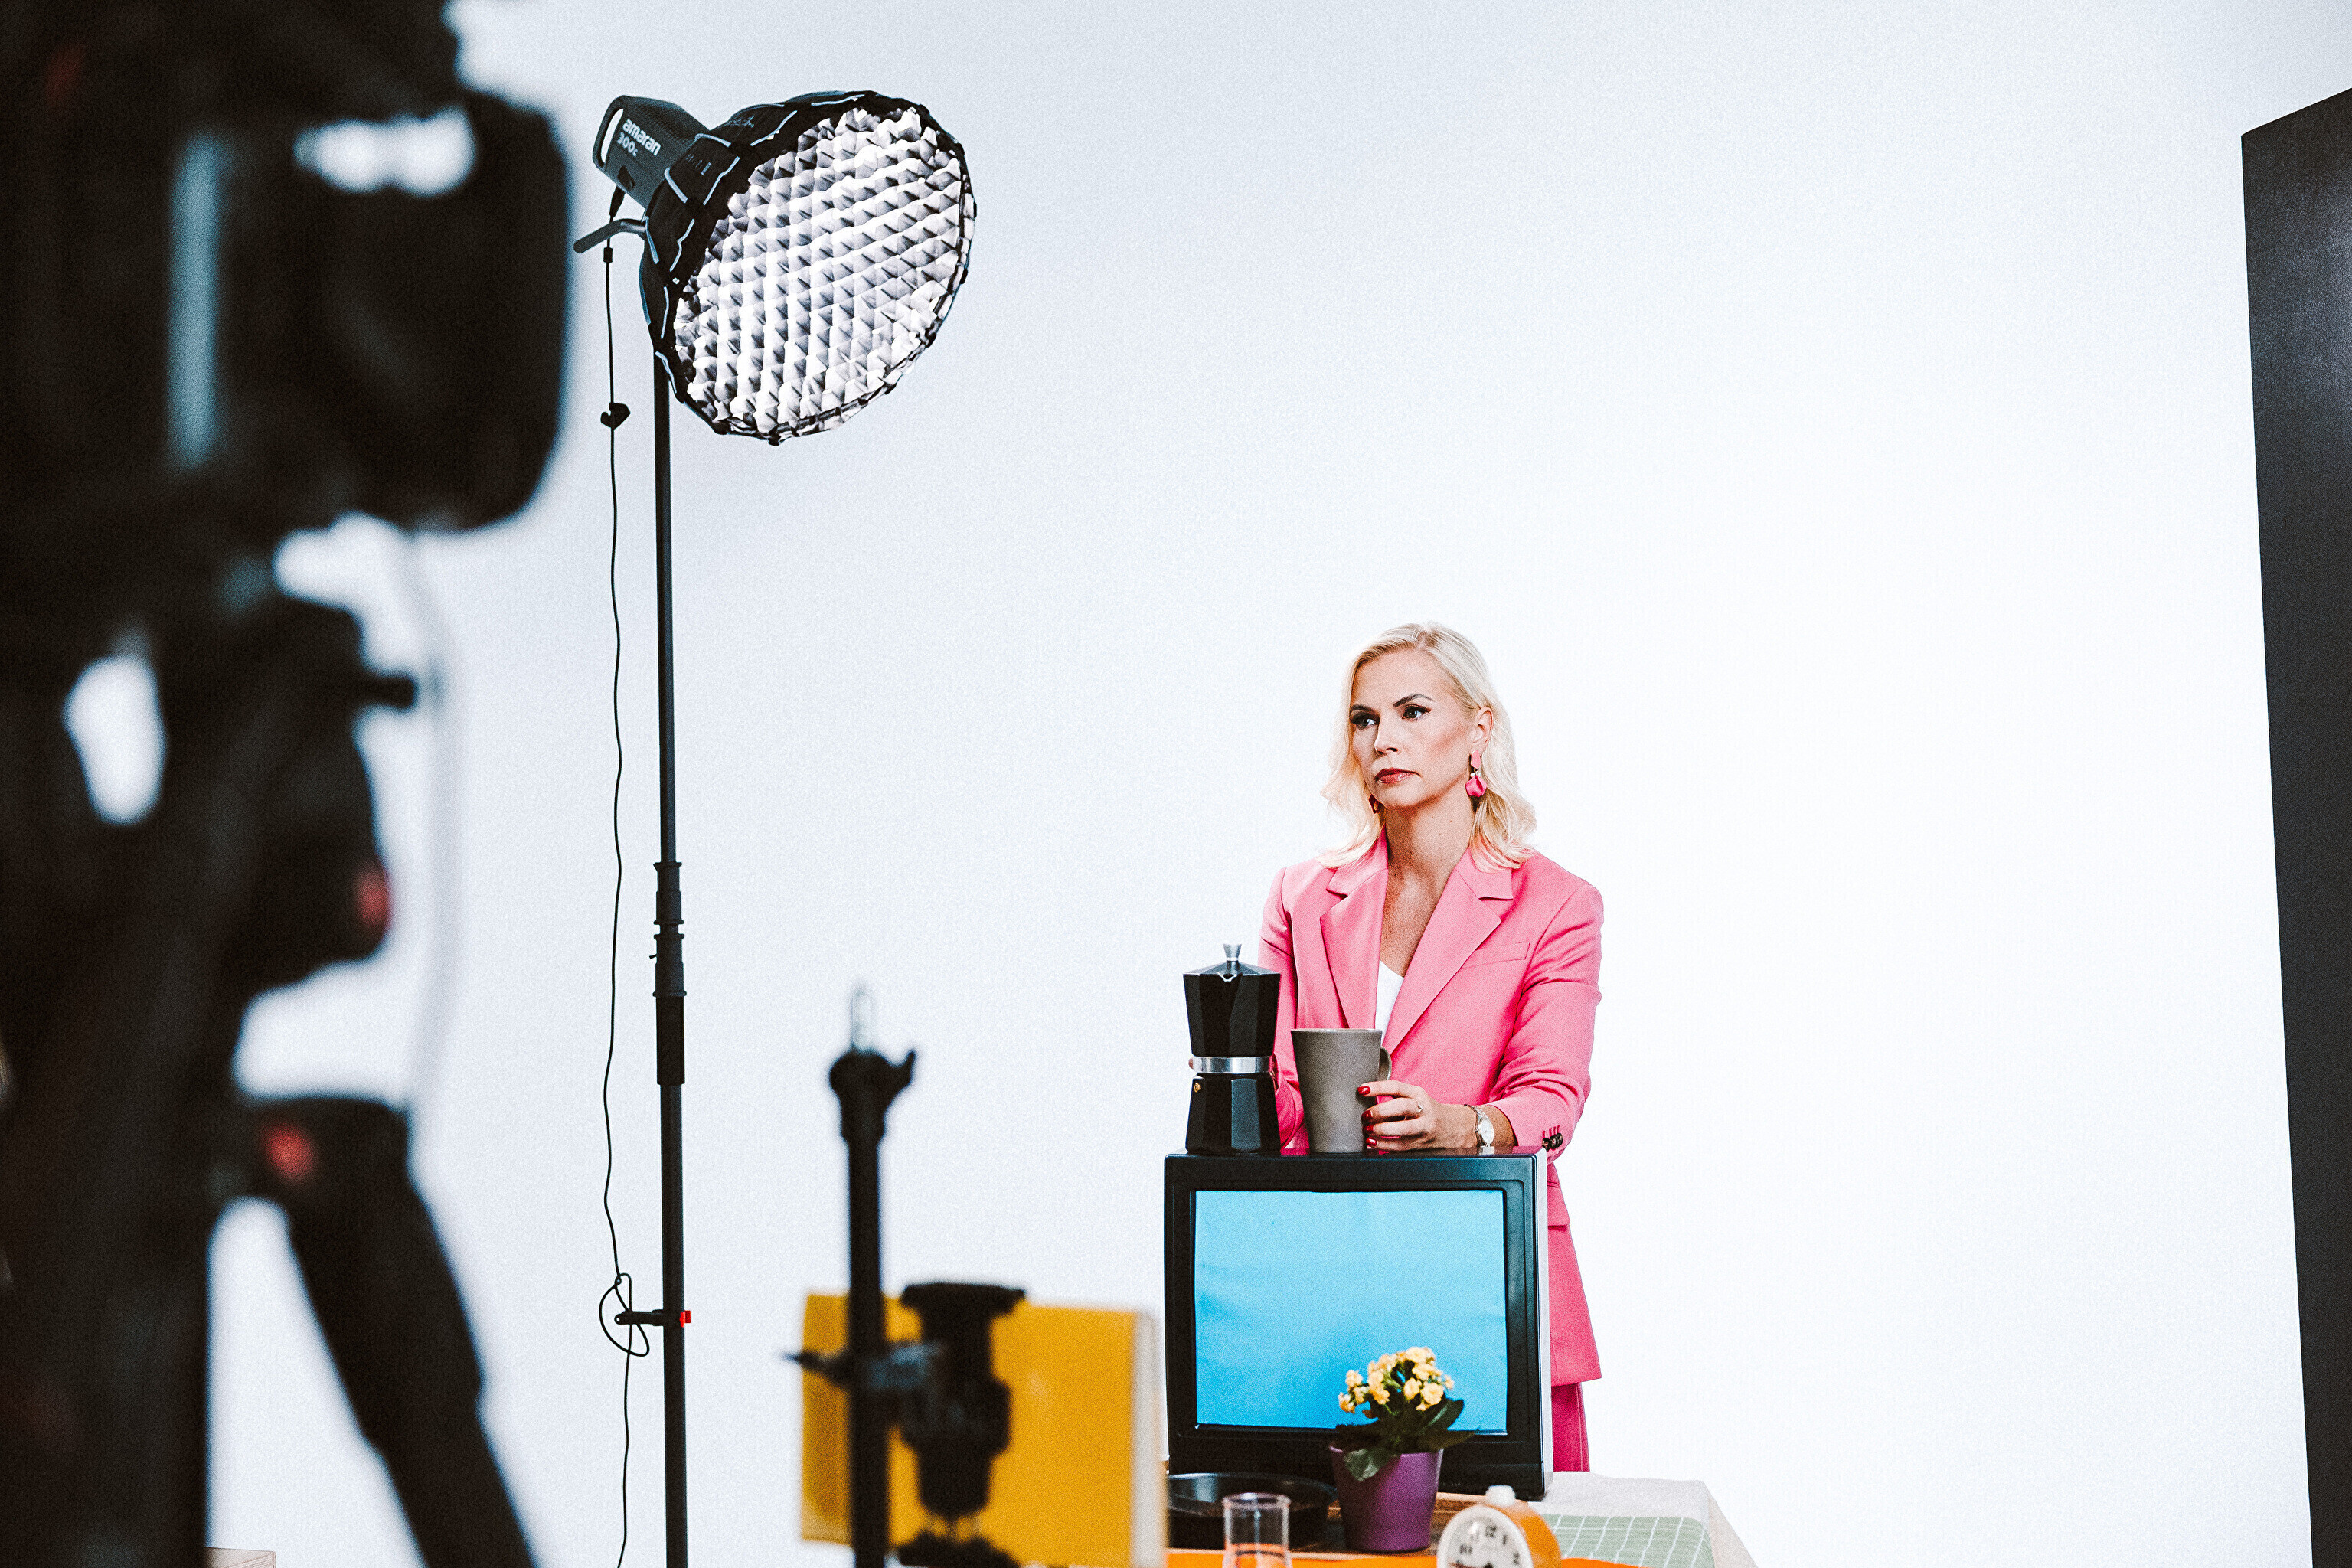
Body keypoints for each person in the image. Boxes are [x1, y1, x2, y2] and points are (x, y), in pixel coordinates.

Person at [1257, 622, 1604, 1474]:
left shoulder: (1556, 903)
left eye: (1413, 711)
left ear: (1478, 729)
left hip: (1488, 1274)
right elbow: (1278, 1097)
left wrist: (1460, 1126)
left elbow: (1552, 1097)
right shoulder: (1303, 898)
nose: (1385, 739)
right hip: (1331, 1280)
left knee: (1506, 1531)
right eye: (1365, 719)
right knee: (1327, 1528)